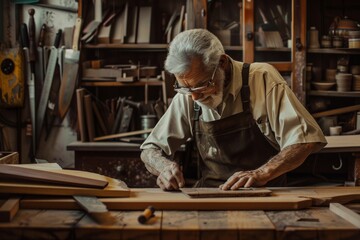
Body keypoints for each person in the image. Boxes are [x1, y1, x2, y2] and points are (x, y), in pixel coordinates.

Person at [140, 29, 327, 191]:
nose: (194, 97)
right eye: (186, 88)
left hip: (267, 193)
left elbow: (304, 141)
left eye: (203, 86)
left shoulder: (262, 78)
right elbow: (150, 149)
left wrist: (262, 173)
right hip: (211, 196)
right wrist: (163, 166)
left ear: (221, 63)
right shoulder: (189, 93)